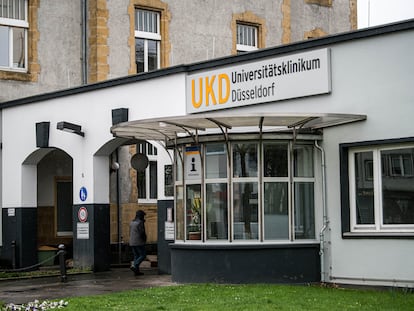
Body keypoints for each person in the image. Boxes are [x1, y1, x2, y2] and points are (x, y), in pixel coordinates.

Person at [129, 210, 147, 276]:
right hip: (139, 242)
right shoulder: (140, 223)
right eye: (143, 216)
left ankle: (136, 271)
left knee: (136, 256)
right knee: (143, 255)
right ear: (141, 216)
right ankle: (134, 265)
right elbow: (142, 233)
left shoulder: (132, 222)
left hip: (132, 242)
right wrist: (145, 239)